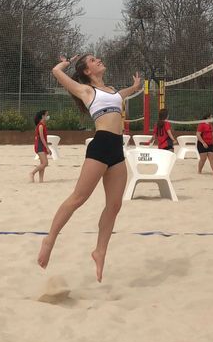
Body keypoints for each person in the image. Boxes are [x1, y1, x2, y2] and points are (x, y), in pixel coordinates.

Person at [37, 54, 141, 282]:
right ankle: (50, 239)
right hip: (100, 145)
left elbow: (121, 96)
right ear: (86, 71)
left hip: (117, 148)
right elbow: (56, 72)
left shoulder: (112, 90)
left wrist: (134, 87)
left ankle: (99, 251)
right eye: (93, 60)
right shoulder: (86, 91)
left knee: (114, 205)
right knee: (78, 198)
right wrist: (64, 64)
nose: (99, 60)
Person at [29, 110, 51, 183]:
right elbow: (41, 138)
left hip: (41, 145)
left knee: (42, 163)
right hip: (40, 146)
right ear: (42, 116)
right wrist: (47, 148)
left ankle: (41, 180)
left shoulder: (43, 125)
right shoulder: (40, 125)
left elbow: (43, 137)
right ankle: (32, 173)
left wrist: (47, 145)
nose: (48, 116)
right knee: (45, 163)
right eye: (46, 115)